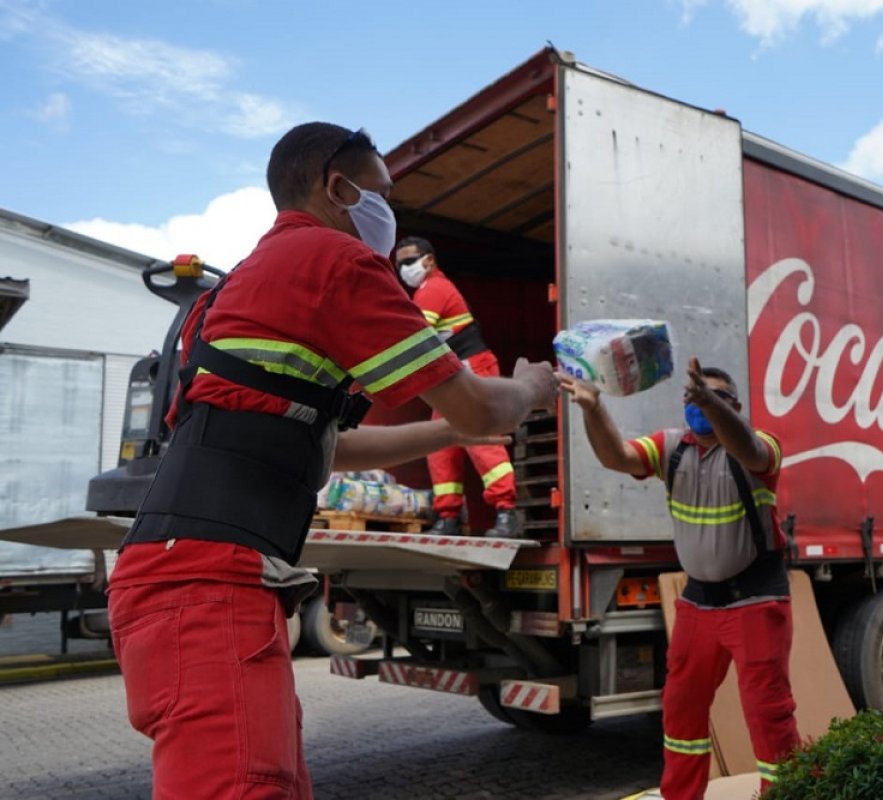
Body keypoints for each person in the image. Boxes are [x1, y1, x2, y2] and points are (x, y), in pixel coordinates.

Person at [105, 122, 557, 800]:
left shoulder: (246, 285)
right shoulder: (334, 262)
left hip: (186, 576)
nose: (388, 212)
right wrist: (528, 390)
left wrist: (446, 435)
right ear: (338, 187)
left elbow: (330, 447)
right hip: (208, 588)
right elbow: (481, 409)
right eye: (381, 191)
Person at [559, 357, 800, 799]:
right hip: (698, 604)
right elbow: (617, 457)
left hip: (756, 601)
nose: (701, 405)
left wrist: (714, 406)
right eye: (694, 396)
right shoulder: (672, 448)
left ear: (736, 406)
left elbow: (747, 447)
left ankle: (785, 795)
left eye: (716, 398)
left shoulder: (761, 447)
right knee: (681, 712)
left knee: (768, 713)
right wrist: (593, 408)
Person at [393, 235, 521, 538]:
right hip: (453, 377)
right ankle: (448, 516)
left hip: (474, 369)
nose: (404, 268)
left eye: (410, 261)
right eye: (399, 264)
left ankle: (507, 513)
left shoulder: (433, 289)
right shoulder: (425, 291)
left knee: (481, 439)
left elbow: (412, 339)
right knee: (440, 446)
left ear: (429, 260)